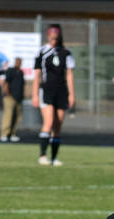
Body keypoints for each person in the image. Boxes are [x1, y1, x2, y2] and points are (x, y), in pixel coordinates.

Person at [32, 24, 75, 166]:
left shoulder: (66, 53)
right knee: (49, 122)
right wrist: (35, 95)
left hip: (61, 92)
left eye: (55, 38)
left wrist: (72, 94)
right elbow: (37, 75)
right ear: (48, 36)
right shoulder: (42, 52)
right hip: (47, 91)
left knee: (58, 126)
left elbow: (69, 75)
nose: (53, 40)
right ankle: (43, 155)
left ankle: (54, 158)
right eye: (51, 37)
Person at [0, 57, 24, 143]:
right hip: (10, 97)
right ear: (15, 62)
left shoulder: (20, 72)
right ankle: (4, 134)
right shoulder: (11, 70)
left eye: (20, 62)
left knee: (16, 117)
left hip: (18, 98)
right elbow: (6, 83)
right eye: (17, 62)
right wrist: (8, 94)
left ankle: (12, 134)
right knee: (8, 116)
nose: (18, 63)